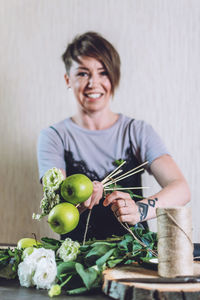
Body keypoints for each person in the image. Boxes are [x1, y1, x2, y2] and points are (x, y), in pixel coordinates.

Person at [37, 31, 190, 242]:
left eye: (103, 72)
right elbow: (56, 205)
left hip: (135, 259)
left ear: (114, 76)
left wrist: (139, 210)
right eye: (83, 73)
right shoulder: (53, 137)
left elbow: (180, 188)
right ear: (67, 79)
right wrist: (78, 204)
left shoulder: (137, 131)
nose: (93, 83)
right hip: (79, 262)